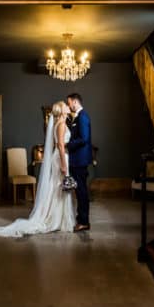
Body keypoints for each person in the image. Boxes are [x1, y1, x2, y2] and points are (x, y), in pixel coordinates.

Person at [0, 101, 76, 237]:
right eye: (65, 106)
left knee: (58, 187)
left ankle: (59, 219)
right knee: (58, 187)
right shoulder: (61, 125)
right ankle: (54, 219)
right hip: (61, 158)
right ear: (61, 111)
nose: (68, 106)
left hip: (60, 157)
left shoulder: (60, 124)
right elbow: (60, 146)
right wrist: (64, 164)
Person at [65, 93, 92, 232]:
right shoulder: (78, 117)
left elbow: (84, 139)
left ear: (75, 102)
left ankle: (84, 222)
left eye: (69, 103)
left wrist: (67, 145)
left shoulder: (82, 117)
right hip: (78, 160)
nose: (68, 105)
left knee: (81, 192)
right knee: (80, 191)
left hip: (80, 161)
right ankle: (81, 219)